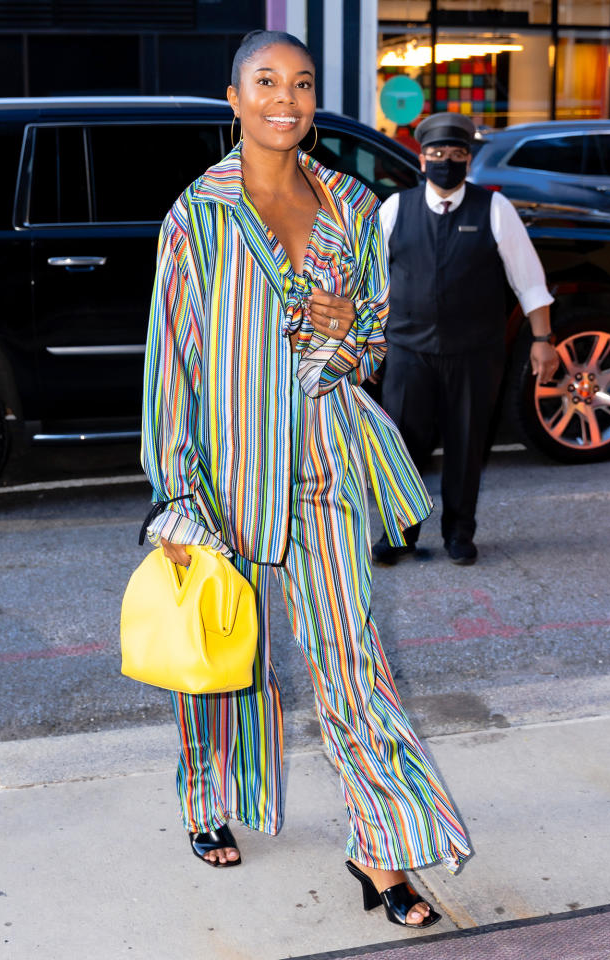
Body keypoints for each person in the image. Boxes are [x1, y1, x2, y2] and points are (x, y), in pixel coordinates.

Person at [141, 31, 470, 928]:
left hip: (325, 460)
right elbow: (172, 360)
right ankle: (210, 799)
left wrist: (346, 325)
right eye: (266, 82)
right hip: (226, 472)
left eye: (302, 83)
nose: (286, 98)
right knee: (227, 657)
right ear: (235, 97)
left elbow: (367, 351)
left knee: (353, 661)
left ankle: (382, 846)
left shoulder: (356, 204)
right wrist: (174, 495)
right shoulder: (197, 217)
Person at [374, 112, 558, 566]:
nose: (446, 162)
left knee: (465, 444)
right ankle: (398, 534)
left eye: (457, 155)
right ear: (422, 161)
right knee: (402, 446)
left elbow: (529, 281)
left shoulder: (495, 209)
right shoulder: (396, 208)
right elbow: (370, 281)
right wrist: (365, 344)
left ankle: (460, 532)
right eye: (437, 154)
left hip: (474, 353)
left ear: (468, 161)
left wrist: (543, 339)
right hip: (408, 352)